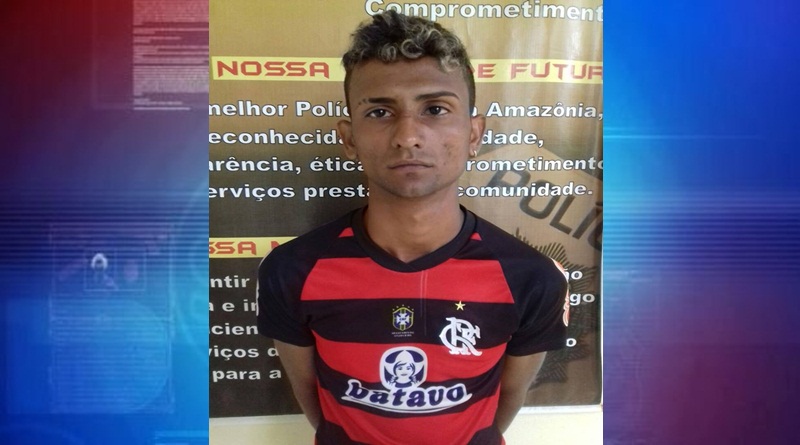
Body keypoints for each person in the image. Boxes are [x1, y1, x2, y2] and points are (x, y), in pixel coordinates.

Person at [257, 10, 569, 445]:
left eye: (435, 109)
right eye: (380, 111)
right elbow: (312, 398)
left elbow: (507, 400)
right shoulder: (291, 270)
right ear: (349, 138)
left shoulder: (531, 277)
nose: (408, 135)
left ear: (474, 133)